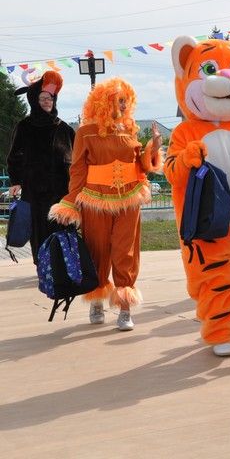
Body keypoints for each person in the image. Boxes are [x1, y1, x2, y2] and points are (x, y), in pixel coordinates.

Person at [164, 35, 230, 357]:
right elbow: (171, 171)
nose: (228, 77)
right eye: (210, 68)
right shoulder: (184, 132)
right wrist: (185, 159)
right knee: (218, 280)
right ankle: (219, 331)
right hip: (207, 225)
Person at [49, 77, 162, 331]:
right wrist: (71, 201)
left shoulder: (129, 129)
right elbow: (77, 169)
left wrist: (153, 148)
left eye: (126, 101)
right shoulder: (85, 132)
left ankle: (124, 307)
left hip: (129, 200)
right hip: (96, 200)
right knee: (97, 250)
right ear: (104, 102)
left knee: (126, 252)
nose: (123, 106)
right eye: (119, 100)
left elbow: (142, 166)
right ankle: (97, 300)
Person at [6, 71, 75, 264]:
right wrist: (15, 180)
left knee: (61, 226)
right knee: (39, 228)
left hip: (62, 189)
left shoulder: (64, 128)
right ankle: (43, 265)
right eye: (42, 98)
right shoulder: (25, 126)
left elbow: (78, 158)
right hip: (34, 189)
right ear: (34, 100)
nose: (46, 102)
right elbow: (14, 155)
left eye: (50, 98)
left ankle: (63, 265)